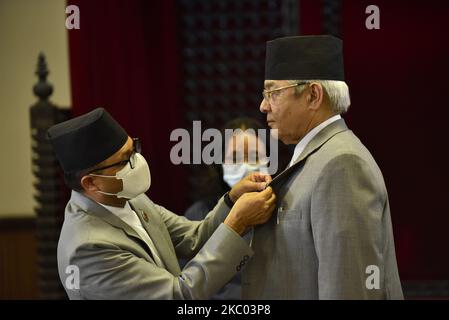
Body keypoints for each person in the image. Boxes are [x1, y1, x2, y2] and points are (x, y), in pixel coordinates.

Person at [47, 107, 276, 300]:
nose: (136, 162)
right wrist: (236, 223)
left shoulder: (131, 199)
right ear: (91, 183)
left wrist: (230, 200)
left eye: (133, 149)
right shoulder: (89, 248)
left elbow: (194, 237)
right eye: (124, 160)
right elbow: (180, 294)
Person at [242, 35, 403, 299]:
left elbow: (348, 287)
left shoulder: (342, 165)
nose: (263, 105)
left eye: (273, 93)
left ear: (313, 95)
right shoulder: (319, 156)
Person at [183, 117, 269, 299]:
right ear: (220, 163)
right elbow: (186, 282)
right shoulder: (198, 215)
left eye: (254, 156)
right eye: (236, 157)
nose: (246, 165)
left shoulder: (284, 210)